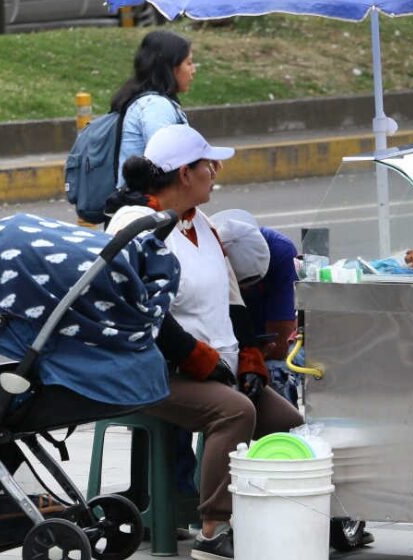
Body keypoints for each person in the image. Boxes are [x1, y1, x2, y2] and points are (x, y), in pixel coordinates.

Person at [105, 124, 303, 560]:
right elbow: (141, 312)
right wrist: (195, 357)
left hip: (216, 367)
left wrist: (250, 360)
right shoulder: (134, 224)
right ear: (183, 174)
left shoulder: (203, 224)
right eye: (207, 164)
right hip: (155, 371)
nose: (215, 171)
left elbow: (234, 303)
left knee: (287, 421)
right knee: (235, 412)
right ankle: (214, 529)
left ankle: (260, 515)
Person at [212, 209, 300, 406]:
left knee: (278, 373)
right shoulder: (204, 259)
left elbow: (280, 342)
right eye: (243, 286)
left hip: (266, 346)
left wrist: (253, 359)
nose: (248, 290)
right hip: (224, 343)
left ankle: (280, 436)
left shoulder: (281, 251)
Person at [111, 29, 194, 188]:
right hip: (149, 206)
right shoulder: (156, 106)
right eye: (188, 63)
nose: (193, 70)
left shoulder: (152, 101)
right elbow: (166, 161)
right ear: (170, 67)